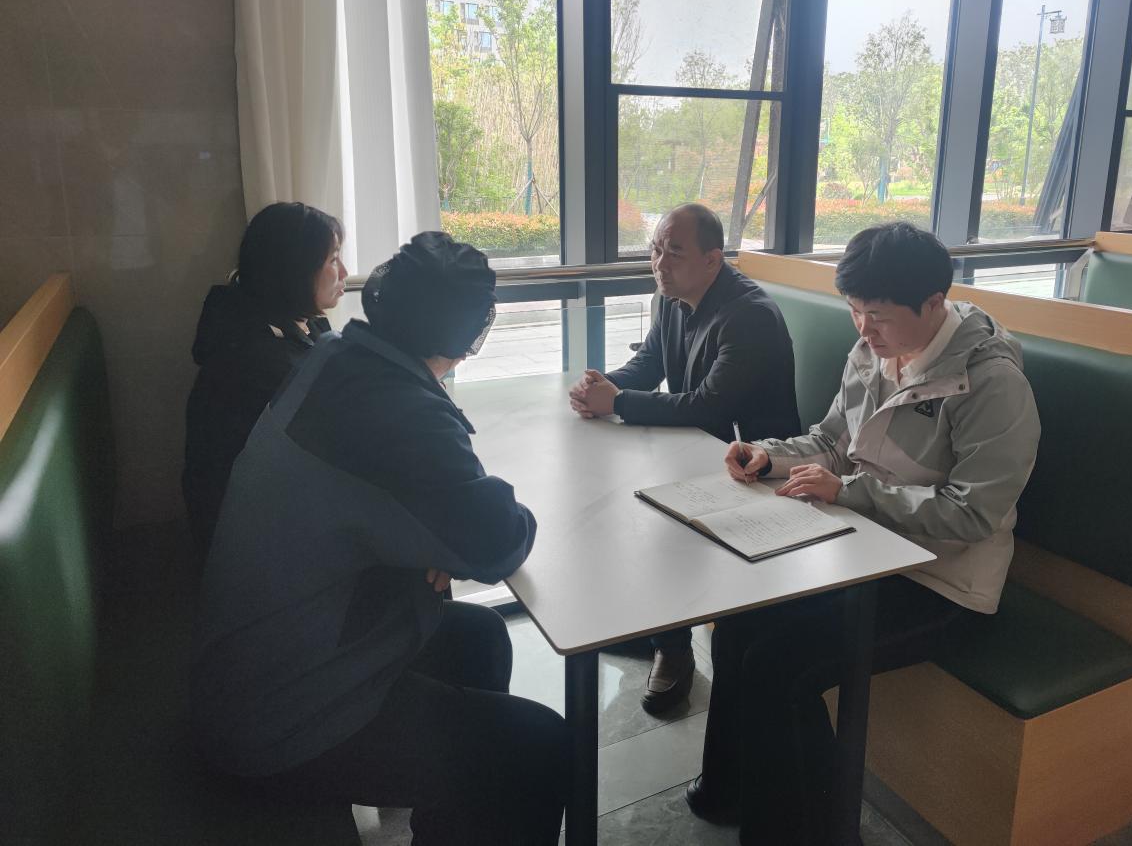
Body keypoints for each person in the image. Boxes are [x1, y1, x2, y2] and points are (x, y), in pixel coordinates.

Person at [191, 233, 568, 846]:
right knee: (539, 744)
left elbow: (385, 509)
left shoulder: (339, 356)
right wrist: (447, 541)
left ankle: (449, 817)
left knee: (479, 637)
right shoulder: (401, 411)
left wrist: (434, 542)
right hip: (280, 719)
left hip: (253, 661)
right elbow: (497, 544)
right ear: (470, 335)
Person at [692, 221, 1041, 844]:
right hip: (862, 548)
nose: (863, 329)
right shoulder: (872, 351)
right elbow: (832, 441)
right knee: (740, 623)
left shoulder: (991, 382)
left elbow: (972, 515)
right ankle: (728, 791)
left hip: (942, 580)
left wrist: (851, 492)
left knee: (779, 666)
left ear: (933, 303)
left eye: (877, 315)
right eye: (855, 311)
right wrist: (770, 457)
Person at [569, 203, 801, 716]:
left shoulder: (749, 315)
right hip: (695, 452)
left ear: (713, 259)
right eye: (655, 249)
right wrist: (601, 386)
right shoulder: (672, 300)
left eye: (674, 252)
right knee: (606, 488)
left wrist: (617, 402)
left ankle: (673, 648)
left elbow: (708, 405)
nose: (660, 263)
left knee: (653, 514)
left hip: (752, 469)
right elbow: (650, 363)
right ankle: (656, 627)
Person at [183, 201, 347, 558]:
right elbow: (337, 446)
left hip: (277, 515)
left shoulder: (287, 324)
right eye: (334, 260)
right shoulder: (256, 360)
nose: (345, 272)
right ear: (295, 269)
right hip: (255, 546)